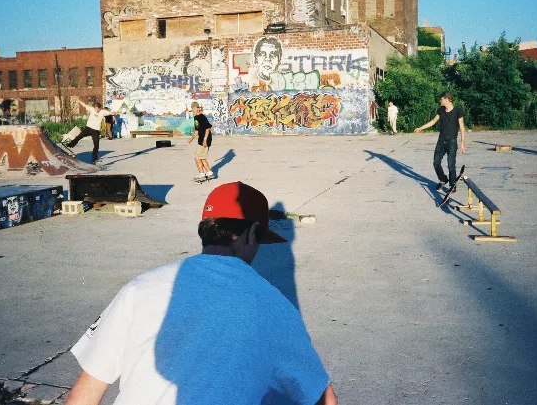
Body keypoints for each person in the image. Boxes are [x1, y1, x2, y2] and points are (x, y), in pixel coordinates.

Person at [65, 181, 338, 405]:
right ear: (252, 233)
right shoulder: (274, 306)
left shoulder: (139, 288)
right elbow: (324, 399)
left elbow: (86, 393)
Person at [414, 92, 466, 191]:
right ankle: (443, 180)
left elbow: (462, 128)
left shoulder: (458, 111)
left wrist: (462, 143)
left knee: (451, 165)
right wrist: (421, 128)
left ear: (447, 99)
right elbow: (433, 121)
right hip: (441, 141)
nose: (440, 101)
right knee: (436, 163)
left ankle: (452, 185)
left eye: (441, 99)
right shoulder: (441, 110)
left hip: (452, 142)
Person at [188, 101, 214, 181]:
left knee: (197, 157)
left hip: (204, 139)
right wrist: (192, 138)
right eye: (192, 109)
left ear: (196, 108)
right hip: (201, 139)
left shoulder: (201, 117)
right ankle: (209, 173)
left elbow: (208, 128)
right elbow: (197, 130)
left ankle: (201, 174)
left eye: (193, 109)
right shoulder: (196, 118)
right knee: (202, 158)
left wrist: (205, 140)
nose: (192, 110)